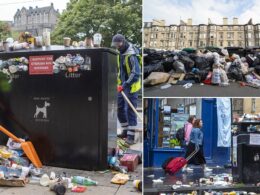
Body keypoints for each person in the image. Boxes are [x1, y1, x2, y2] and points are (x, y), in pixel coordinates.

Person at [111, 34, 141, 145]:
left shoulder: (131, 55)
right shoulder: (121, 54)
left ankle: (131, 137)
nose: (117, 47)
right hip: (122, 86)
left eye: (118, 44)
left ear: (123, 42)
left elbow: (136, 73)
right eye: (115, 45)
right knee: (119, 108)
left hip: (131, 86)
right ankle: (125, 130)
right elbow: (121, 71)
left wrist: (125, 85)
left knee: (130, 110)